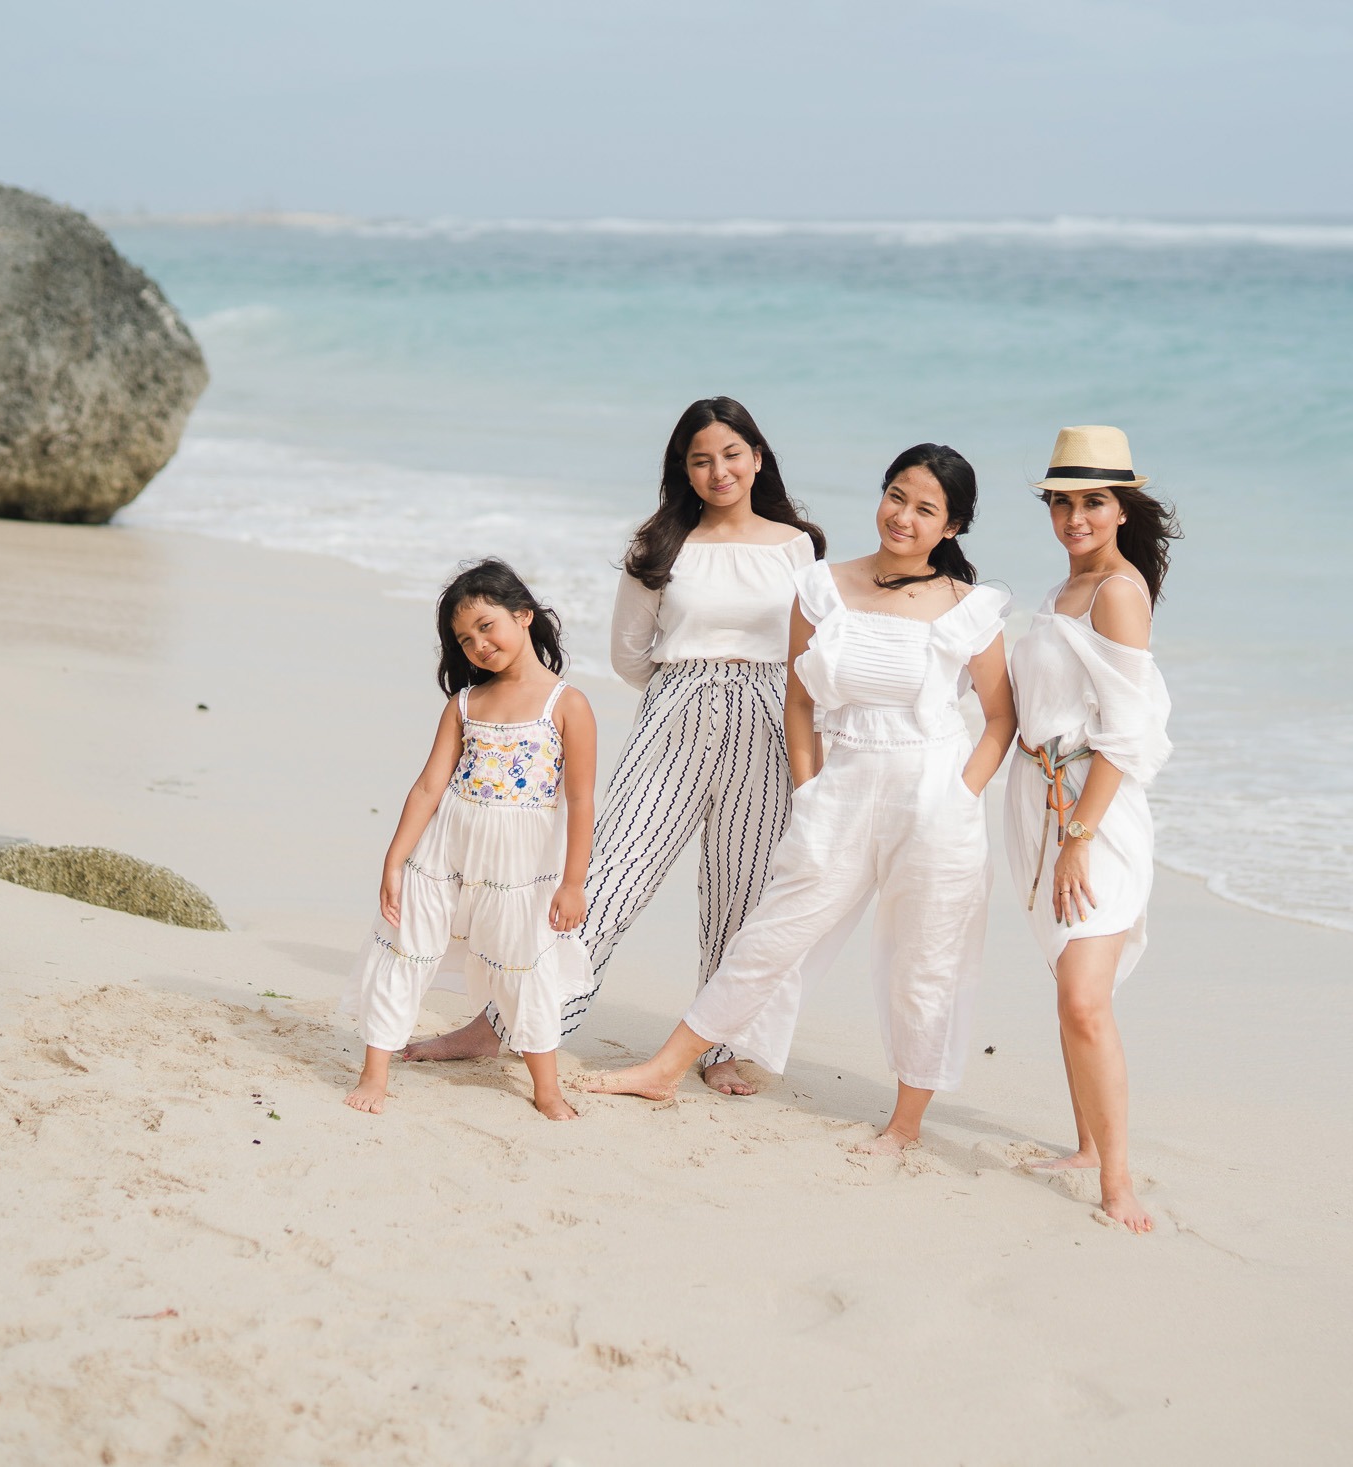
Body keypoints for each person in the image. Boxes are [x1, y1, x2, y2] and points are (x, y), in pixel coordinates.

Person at [583, 444, 1015, 1155]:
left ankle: (905, 1125)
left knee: (925, 961)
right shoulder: (822, 586)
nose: (903, 516)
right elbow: (799, 700)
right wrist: (810, 789)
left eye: (925, 509)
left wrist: (961, 797)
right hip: (842, 787)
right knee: (770, 934)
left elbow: (1000, 718)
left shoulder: (971, 609)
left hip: (935, 796)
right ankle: (665, 1068)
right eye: (896, 495)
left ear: (953, 527)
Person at [402, 397, 826, 1097]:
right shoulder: (660, 546)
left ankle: (720, 1046)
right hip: (678, 709)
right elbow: (631, 653)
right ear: (683, 470)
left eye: (731, 454)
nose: (718, 470)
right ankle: (503, 1023)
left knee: (742, 890)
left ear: (757, 457)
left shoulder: (797, 546)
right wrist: (688, 689)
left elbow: (808, 654)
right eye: (700, 460)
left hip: (768, 715)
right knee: (607, 876)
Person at [342, 559, 597, 1121]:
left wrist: (573, 882)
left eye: (486, 626)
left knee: (522, 962)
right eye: (464, 639)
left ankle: (546, 1088)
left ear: (523, 615)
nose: (478, 645)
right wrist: (394, 860)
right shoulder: (464, 704)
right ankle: (374, 1072)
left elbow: (581, 801)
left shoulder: (567, 705)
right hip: (441, 853)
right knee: (406, 946)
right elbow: (428, 786)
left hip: (518, 865)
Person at [1004, 425, 1177, 1229]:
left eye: (1093, 502)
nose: (1075, 518)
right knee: (1069, 979)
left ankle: (1119, 1182)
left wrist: (1078, 836)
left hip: (1092, 815)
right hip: (1043, 805)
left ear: (1122, 508)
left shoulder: (1117, 591)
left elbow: (1125, 732)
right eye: (1062, 502)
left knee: (1083, 997)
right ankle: (1083, 1144)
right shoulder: (1061, 591)